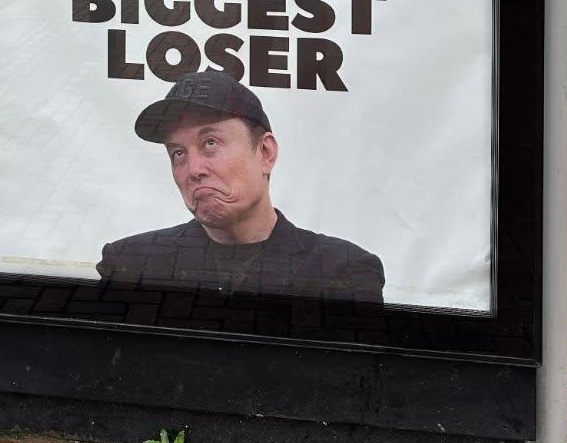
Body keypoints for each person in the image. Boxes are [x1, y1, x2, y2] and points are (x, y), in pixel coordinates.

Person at [97, 70, 384, 302]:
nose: (193, 170)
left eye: (210, 143)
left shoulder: (344, 270)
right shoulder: (129, 266)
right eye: (178, 153)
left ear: (265, 153)